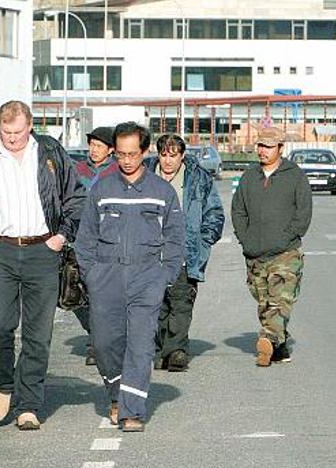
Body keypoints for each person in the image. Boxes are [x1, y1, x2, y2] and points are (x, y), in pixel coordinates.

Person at [0, 100, 84, 431]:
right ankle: (3, 384)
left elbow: (76, 198)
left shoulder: (51, 152)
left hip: (44, 250)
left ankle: (28, 405)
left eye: (19, 132)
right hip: (1, 250)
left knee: (38, 335)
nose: (12, 139)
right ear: (0, 127)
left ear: (30, 126)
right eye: (7, 132)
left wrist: (62, 236)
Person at [75, 122, 184, 433]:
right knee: (105, 344)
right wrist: (92, 275)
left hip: (147, 276)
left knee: (140, 344)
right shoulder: (102, 189)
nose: (126, 160)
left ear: (144, 152)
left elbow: (176, 239)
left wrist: (165, 275)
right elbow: (86, 239)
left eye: (132, 154)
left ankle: (131, 411)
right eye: (120, 154)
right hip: (106, 276)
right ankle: (116, 394)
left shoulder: (162, 192)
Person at [231, 127, 312, 367]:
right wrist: (246, 239)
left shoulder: (295, 176)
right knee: (265, 302)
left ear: (280, 148)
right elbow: (238, 210)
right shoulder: (249, 177)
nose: (262, 151)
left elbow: (303, 214)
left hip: (286, 252)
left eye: (268, 146)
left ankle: (267, 340)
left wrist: (286, 238)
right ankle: (280, 344)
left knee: (280, 299)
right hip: (255, 252)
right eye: (260, 146)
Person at [143, 134, 224, 372]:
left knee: (181, 302)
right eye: (164, 155)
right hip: (149, 252)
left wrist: (204, 240)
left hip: (184, 251)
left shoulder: (197, 178)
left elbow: (214, 212)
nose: (168, 161)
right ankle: (159, 350)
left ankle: (176, 351)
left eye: (173, 155)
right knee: (154, 305)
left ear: (182, 156)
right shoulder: (144, 176)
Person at [72, 126, 118, 366]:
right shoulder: (77, 169)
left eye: (99, 146)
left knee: (102, 293)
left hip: (107, 240)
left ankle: (98, 344)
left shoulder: (117, 171)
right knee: (77, 294)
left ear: (110, 150)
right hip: (78, 237)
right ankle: (96, 334)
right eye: (91, 145)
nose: (94, 150)